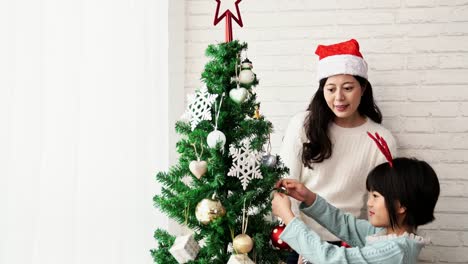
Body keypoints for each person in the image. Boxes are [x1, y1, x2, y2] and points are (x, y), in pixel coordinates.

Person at [280, 39, 397, 263]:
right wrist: (302, 242)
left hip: (351, 242)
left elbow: (384, 204)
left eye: (348, 88)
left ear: (362, 88)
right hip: (301, 239)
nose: (339, 98)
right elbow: (285, 186)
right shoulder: (302, 125)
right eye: (331, 89)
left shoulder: (381, 140)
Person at [272, 146, 440, 263]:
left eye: (375, 196)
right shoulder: (384, 234)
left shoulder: (395, 251)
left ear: (400, 205)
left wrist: (288, 217)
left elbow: (330, 258)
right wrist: (308, 197)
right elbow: (345, 224)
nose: (369, 203)